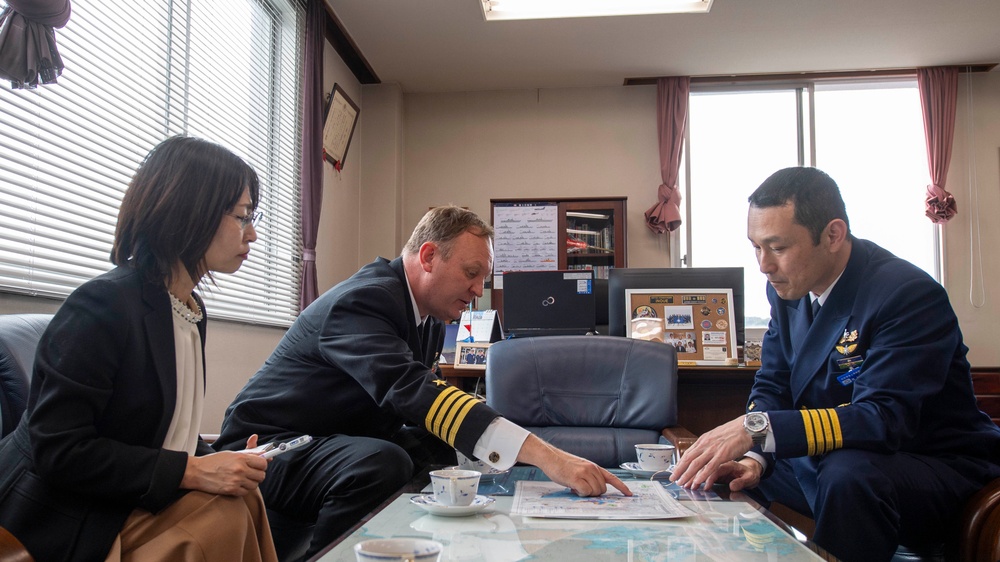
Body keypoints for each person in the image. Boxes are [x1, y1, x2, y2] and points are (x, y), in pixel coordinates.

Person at [216, 205, 630, 560]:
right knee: (382, 462)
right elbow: (415, 393)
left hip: (329, 438)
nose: (477, 289)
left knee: (433, 447)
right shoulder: (366, 300)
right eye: (471, 273)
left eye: (483, 278)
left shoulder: (427, 316)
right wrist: (547, 456)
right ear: (428, 256)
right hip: (273, 448)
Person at [670, 167, 1000, 562]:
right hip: (835, 460)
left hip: (927, 466)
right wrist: (754, 457)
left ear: (833, 234)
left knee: (848, 472)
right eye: (755, 246)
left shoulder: (906, 293)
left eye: (777, 247)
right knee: (730, 473)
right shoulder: (789, 289)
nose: (764, 265)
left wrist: (754, 428)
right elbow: (774, 384)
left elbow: (882, 419)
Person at [0, 136, 278, 562]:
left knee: (246, 497)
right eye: (242, 217)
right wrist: (193, 470)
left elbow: (157, 432)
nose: (253, 234)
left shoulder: (190, 310)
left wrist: (219, 460)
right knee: (225, 515)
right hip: (66, 512)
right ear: (191, 212)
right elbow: (59, 450)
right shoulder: (104, 304)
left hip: (125, 496)